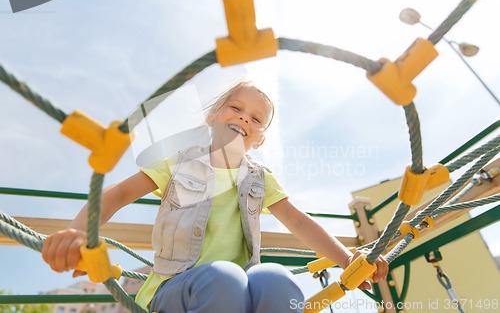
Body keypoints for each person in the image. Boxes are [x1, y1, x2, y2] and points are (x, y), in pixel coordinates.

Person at [42, 81, 388, 313]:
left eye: (256, 119)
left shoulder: (258, 178)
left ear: (260, 140)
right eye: (235, 107)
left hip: (240, 293)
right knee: (224, 277)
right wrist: (77, 232)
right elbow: (118, 194)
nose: (243, 117)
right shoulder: (181, 164)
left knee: (277, 279)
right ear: (212, 117)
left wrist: (347, 259)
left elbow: (298, 221)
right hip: (176, 291)